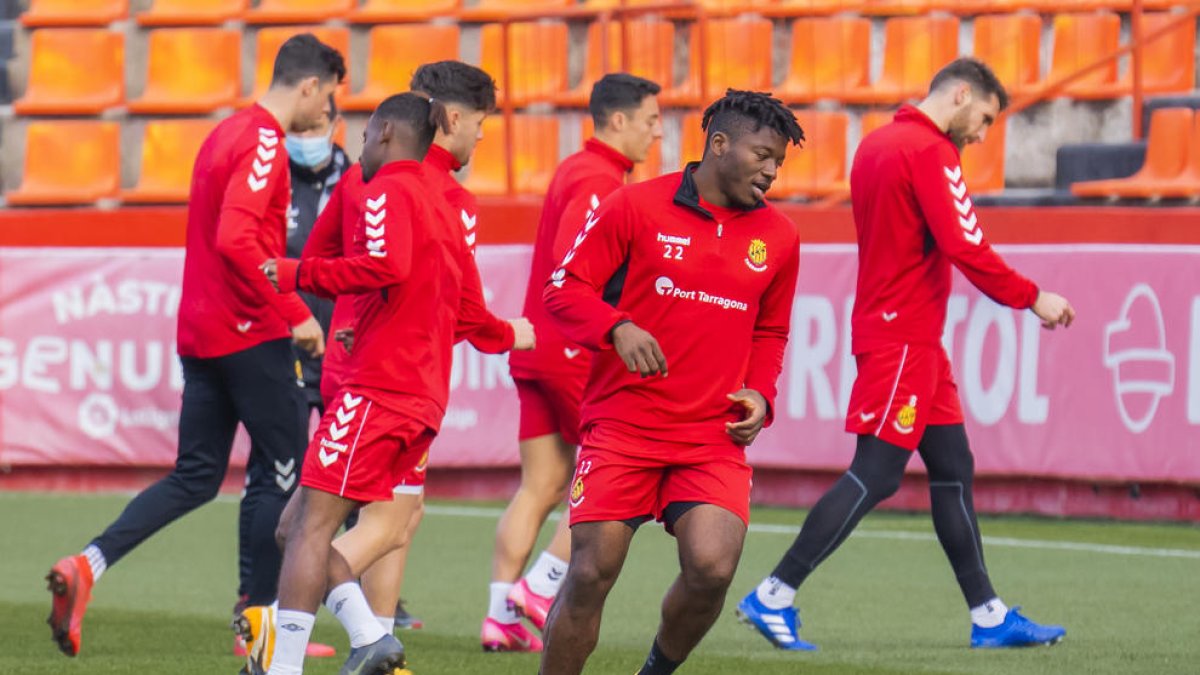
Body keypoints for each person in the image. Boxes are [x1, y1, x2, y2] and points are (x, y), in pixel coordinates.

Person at [735, 57, 1074, 652]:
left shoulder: (877, 144)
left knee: (952, 469)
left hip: (907, 337)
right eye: (986, 119)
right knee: (878, 471)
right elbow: (965, 242)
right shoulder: (929, 151)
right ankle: (775, 593)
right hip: (903, 339)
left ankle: (988, 614)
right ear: (962, 94)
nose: (982, 134)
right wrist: (1032, 297)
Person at [45, 34, 345, 658]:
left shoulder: (222, 133)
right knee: (282, 475)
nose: (330, 113)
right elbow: (238, 238)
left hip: (202, 332)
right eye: (332, 96)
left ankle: (89, 564)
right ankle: (260, 628)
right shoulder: (264, 139)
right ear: (311, 86)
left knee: (197, 475)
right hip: (250, 332)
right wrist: (296, 313)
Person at [258, 93, 531, 675]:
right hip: (419, 401)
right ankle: (369, 636)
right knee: (295, 527)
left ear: (383, 133)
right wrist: (509, 335)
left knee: (309, 529)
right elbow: (468, 309)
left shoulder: (384, 189)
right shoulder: (445, 202)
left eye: (362, 139)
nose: (358, 151)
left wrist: (295, 273)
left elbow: (386, 265)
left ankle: (280, 668)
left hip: (378, 391)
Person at [538, 89, 805, 675]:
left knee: (712, 569)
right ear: (718, 144)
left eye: (778, 163)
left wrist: (761, 393)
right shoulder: (633, 206)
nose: (770, 171)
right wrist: (617, 327)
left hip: (712, 435)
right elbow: (562, 290)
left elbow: (773, 331)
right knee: (589, 573)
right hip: (623, 425)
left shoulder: (781, 237)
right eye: (762, 154)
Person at [486, 72, 663, 651]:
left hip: (537, 343)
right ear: (618, 121)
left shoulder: (573, 169)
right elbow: (577, 265)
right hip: (569, 347)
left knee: (540, 484)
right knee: (607, 478)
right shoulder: (598, 180)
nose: (655, 132)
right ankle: (540, 587)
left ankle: (501, 616)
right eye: (650, 120)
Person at [233, 94, 347, 662]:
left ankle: (351, 595)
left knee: (352, 482)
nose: (315, 132)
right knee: (275, 476)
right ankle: (254, 609)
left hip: (340, 343)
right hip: (285, 337)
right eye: (312, 121)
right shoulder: (269, 166)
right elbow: (253, 251)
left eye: (325, 123)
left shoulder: (351, 171)